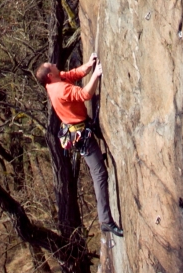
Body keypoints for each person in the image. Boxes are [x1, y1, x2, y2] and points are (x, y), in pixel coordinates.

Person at [35, 53, 123, 237]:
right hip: (81, 135)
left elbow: (73, 74)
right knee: (99, 174)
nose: (54, 63)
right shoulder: (60, 89)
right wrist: (96, 75)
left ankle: (105, 218)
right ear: (50, 75)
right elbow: (85, 94)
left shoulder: (53, 83)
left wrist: (89, 66)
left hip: (78, 128)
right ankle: (106, 221)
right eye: (51, 65)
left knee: (99, 169)